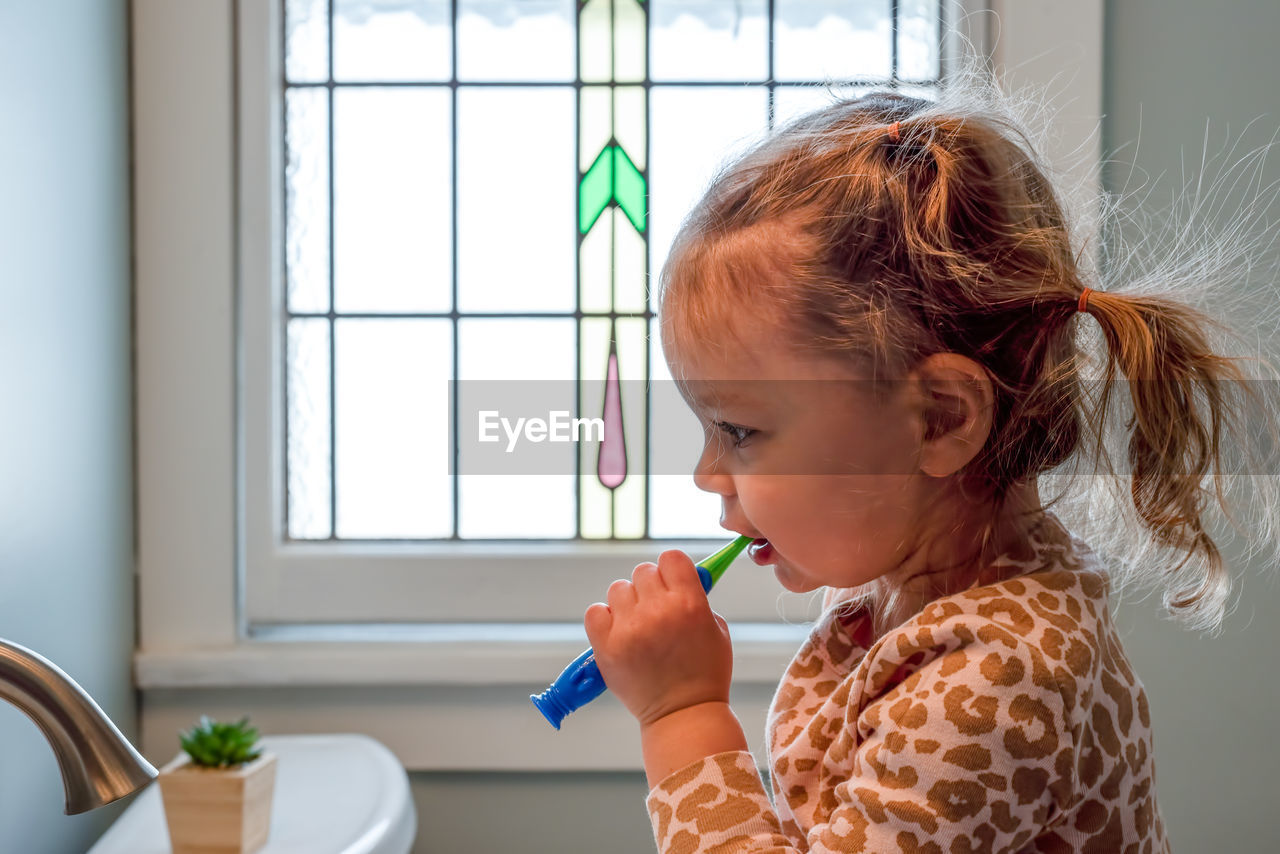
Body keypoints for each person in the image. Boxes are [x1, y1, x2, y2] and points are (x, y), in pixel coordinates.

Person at [582, 86, 1280, 852]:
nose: (709, 474)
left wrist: (682, 716)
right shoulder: (927, 588)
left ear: (941, 420)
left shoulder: (995, 682)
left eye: (740, 430)